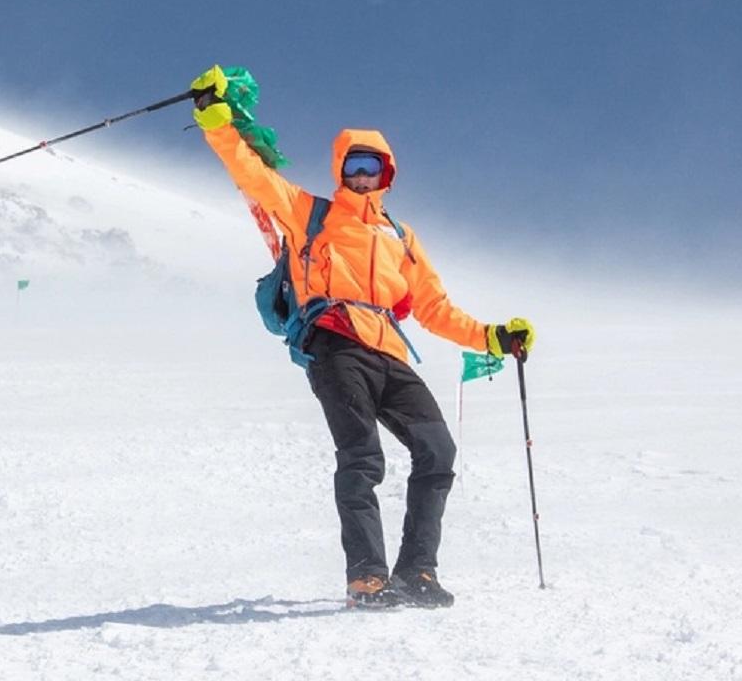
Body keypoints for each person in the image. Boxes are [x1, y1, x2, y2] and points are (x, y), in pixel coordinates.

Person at [189, 65, 535, 608]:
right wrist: (215, 120)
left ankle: (416, 572)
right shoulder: (313, 214)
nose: (363, 174)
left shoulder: (400, 236)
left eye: (372, 165)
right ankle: (367, 578)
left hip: (389, 351)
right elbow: (252, 175)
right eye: (354, 164)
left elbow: (433, 307)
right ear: (340, 168)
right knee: (362, 457)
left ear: (387, 173)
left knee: (437, 450)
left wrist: (494, 338)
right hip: (335, 342)